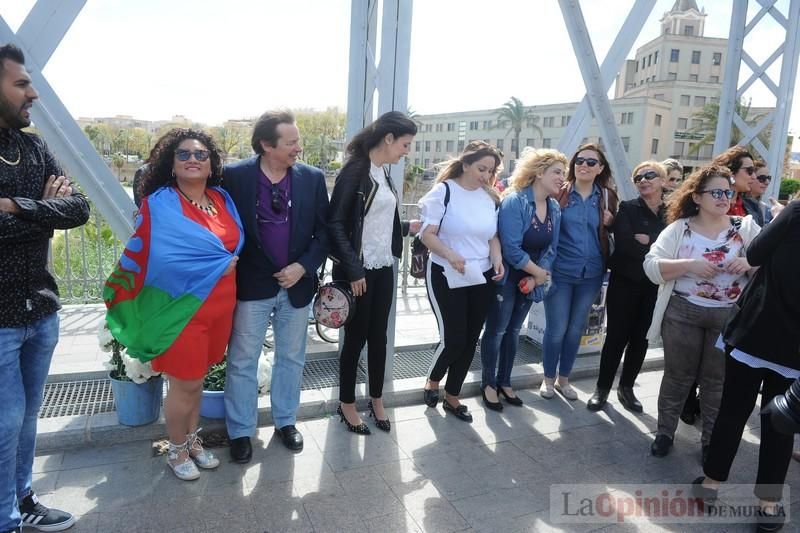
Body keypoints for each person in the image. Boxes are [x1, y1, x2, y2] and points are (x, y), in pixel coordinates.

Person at [106, 129, 243, 480]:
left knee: (196, 382)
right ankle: (176, 449)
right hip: (181, 311)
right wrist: (213, 266)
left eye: (200, 154)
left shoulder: (222, 199)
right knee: (183, 383)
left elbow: (233, 243)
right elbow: (158, 258)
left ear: (211, 163)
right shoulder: (161, 203)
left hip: (221, 307)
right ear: (172, 163)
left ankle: (193, 441)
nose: (193, 160)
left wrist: (221, 264)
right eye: (183, 155)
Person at [0, 43, 89, 533]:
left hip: (42, 309)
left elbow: (78, 209)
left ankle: (23, 499)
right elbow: (57, 212)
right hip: (0, 316)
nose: (32, 92)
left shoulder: (31, 147)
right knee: (5, 420)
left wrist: (15, 206)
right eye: (20, 83)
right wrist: (41, 208)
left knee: (27, 416)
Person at [223, 110, 329, 461]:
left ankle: (286, 421)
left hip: (297, 285)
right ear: (267, 145)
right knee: (242, 360)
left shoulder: (312, 178)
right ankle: (240, 431)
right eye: (292, 142)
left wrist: (303, 266)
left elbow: (324, 231)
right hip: (251, 285)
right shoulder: (235, 176)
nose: (299, 147)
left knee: (292, 358)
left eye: (298, 140)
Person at [692, 200, 800, 532]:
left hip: (756, 328)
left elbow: (753, 255)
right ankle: (768, 505)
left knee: (733, 410)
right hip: (794, 347)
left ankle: (711, 484)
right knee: (781, 421)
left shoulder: (796, 212)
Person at [644, 165, 760, 460]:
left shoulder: (744, 228)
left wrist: (748, 263)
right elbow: (651, 266)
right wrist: (688, 265)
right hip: (682, 312)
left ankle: (710, 442)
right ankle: (664, 433)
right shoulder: (679, 229)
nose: (724, 197)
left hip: (727, 315)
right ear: (697, 197)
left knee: (715, 382)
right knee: (677, 376)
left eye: (728, 191)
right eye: (716, 192)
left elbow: (769, 264)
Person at [327, 111, 419, 434]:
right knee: (355, 340)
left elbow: (380, 219)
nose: (407, 151)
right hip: (359, 270)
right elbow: (335, 224)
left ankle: (376, 400)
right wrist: (353, 269)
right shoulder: (355, 171)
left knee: (378, 337)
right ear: (389, 138)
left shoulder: (383, 172)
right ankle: (347, 404)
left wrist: (408, 227)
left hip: (384, 266)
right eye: (405, 144)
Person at [419, 141, 504, 422]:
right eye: (481, 168)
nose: (486, 176)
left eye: (490, 171)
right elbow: (427, 234)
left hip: (480, 276)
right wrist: (450, 254)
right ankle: (433, 380)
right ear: (466, 164)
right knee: (453, 338)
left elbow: (491, 235)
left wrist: (497, 259)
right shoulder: (443, 192)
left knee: (470, 340)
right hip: (446, 272)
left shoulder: (490, 197)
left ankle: (453, 397)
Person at [480, 148, 566, 411]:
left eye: (563, 173)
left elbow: (552, 248)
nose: (563, 178)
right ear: (539, 172)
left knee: (515, 330)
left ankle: (505, 381)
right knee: (497, 331)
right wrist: (539, 273)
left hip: (530, 279)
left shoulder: (553, 207)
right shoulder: (515, 202)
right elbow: (511, 248)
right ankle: (488, 384)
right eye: (557, 172)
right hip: (506, 277)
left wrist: (538, 277)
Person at [587, 161, 667, 412]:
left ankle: (627, 387)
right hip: (625, 281)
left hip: (655, 285)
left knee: (641, 339)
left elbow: (677, 248)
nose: (643, 179)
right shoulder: (628, 208)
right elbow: (625, 245)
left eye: (649, 175)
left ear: (663, 180)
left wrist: (648, 240)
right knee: (616, 337)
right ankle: (602, 388)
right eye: (638, 177)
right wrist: (656, 245)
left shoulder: (675, 211)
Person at [542, 143, 617, 400]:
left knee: (576, 330)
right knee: (557, 328)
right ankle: (548, 379)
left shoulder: (607, 197)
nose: (584, 165)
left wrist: (611, 222)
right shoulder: (560, 194)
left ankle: (564, 379)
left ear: (600, 169)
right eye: (579, 161)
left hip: (593, 273)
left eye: (591, 162)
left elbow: (613, 232)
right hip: (560, 271)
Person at [712, 145, 755, 217]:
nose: (754, 177)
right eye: (749, 171)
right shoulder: (709, 205)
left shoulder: (753, 206)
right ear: (731, 173)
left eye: (754, 171)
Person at [743, 159, 773, 226]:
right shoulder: (736, 204)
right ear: (750, 177)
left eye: (769, 178)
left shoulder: (767, 210)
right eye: (762, 178)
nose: (767, 182)